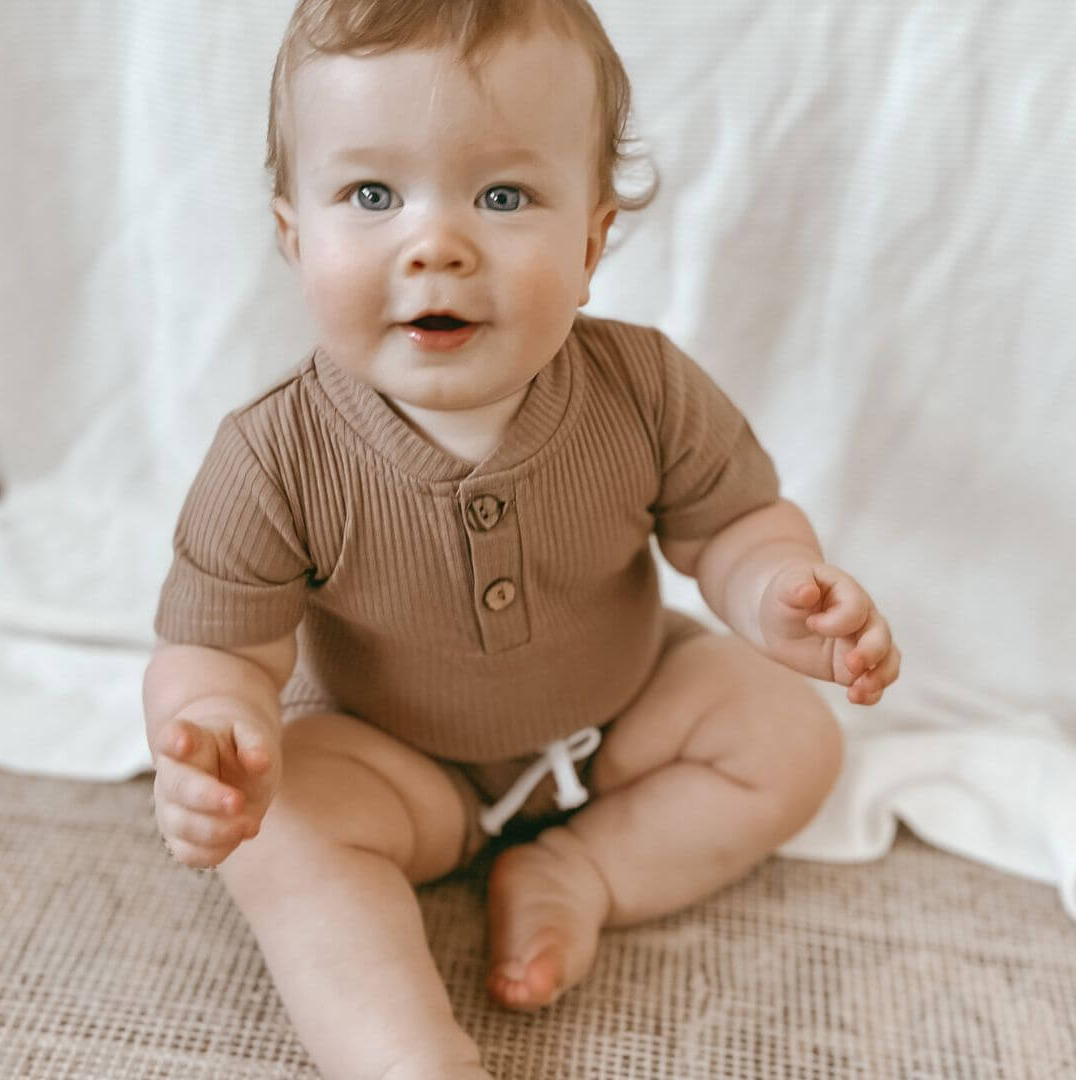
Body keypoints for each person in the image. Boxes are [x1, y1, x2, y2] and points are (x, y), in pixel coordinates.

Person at [143, 1, 900, 1077]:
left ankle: (583, 872)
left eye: (502, 196)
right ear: (292, 236)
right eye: (371, 195)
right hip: (388, 762)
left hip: (616, 724)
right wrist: (213, 731)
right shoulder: (274, 455)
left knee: (793, 733)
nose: (436, 244)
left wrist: (776, 584)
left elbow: (730, 522)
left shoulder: (643, 387)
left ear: (591, 241)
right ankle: (408, 1056)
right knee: (286, 828)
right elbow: (221, 650)